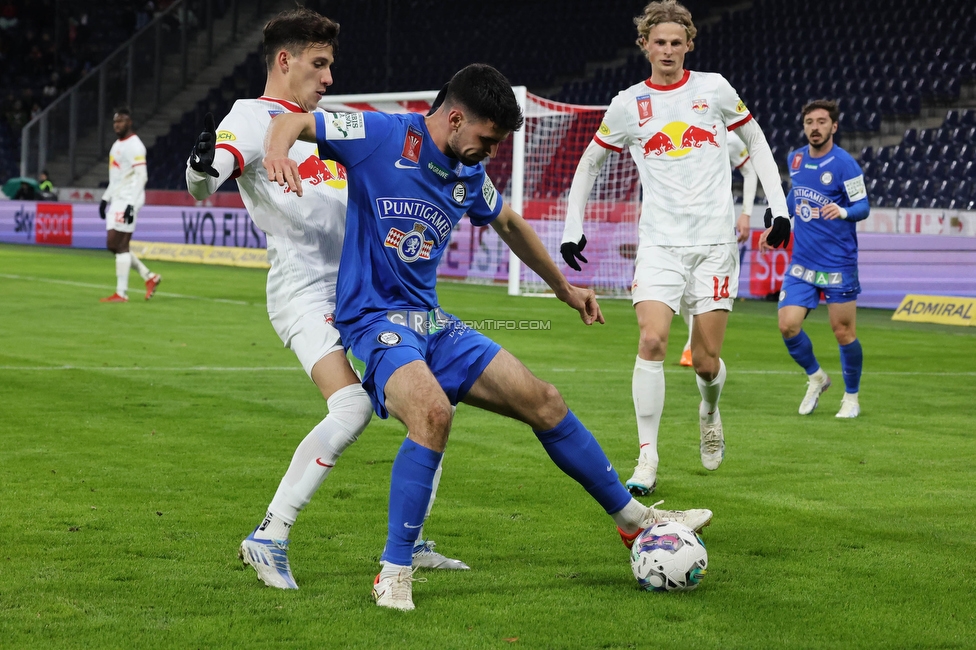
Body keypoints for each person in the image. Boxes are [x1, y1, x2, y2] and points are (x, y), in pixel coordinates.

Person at [264, 62, 714, 612]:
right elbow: (297, 120)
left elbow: (511, 226)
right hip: (374, 321)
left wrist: (564, 289)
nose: (493, 151)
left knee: (543, 399)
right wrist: (276, 152)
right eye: (487, 139)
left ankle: (634, 521)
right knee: (432, 413)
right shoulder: (381, 134)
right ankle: (394, 571)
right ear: (455, 119)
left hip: (431, 323)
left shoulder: (468, 173)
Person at [184, 7, 467, 591]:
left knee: (433, 404)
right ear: (285, 61)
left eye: (331, 64)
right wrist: (197, 166)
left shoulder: (326, 122)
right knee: (352, 408)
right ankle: (269, 535)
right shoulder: (249, 117)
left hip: (366, 288)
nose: (329, 77)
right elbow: (209, 175)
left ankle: (408, 546)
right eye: (320, 64)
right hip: (305, 290)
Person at [559, 0, 791, 497]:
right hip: (660, 245)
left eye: (676, 42)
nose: (667, 50)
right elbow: (589, 166)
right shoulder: (627, 105)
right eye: (659, 42)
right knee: (652, 342)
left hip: (713, 245)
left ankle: (709, 410)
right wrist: (572, 227)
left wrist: (779, 208)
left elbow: (759, 144)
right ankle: (647, 456)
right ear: (645, 45)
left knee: (706, 363)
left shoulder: (715, 89)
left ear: (689, 45)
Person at [777, 99, 869, 418]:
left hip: (838, 262)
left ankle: (852, 397)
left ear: (834, 126)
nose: (815, 128)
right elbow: (795, 194)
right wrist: (778, 221)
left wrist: (843, 211)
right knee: (788, 325)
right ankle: (817, 378)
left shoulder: (846, 164)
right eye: (809, 122)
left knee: (843, 332)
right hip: (802, 262)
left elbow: (864, 207)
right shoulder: (796, 159)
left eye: (821, 121)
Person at [677, 128, 758, 367]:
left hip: (714, 228)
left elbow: (750, 171)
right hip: (678, 225)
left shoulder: (727, 138)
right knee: (681, 291)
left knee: (703, 290)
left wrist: (746, 214)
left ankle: (694, 347)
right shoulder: (681, 134)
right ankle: (693, 340)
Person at [99, 108, 161, 303]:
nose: (117, 125)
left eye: (121, 121)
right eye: (115, 122)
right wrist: (105, 198)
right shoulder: (117, 145)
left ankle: (121, 292)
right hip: (117, 198)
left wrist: (131, 205)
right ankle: (149, 276)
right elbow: (116, 178)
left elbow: (142, 176)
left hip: (129, 199)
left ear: (129, 122)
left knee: (120, 244)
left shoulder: (135, 145)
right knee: (114, 245)